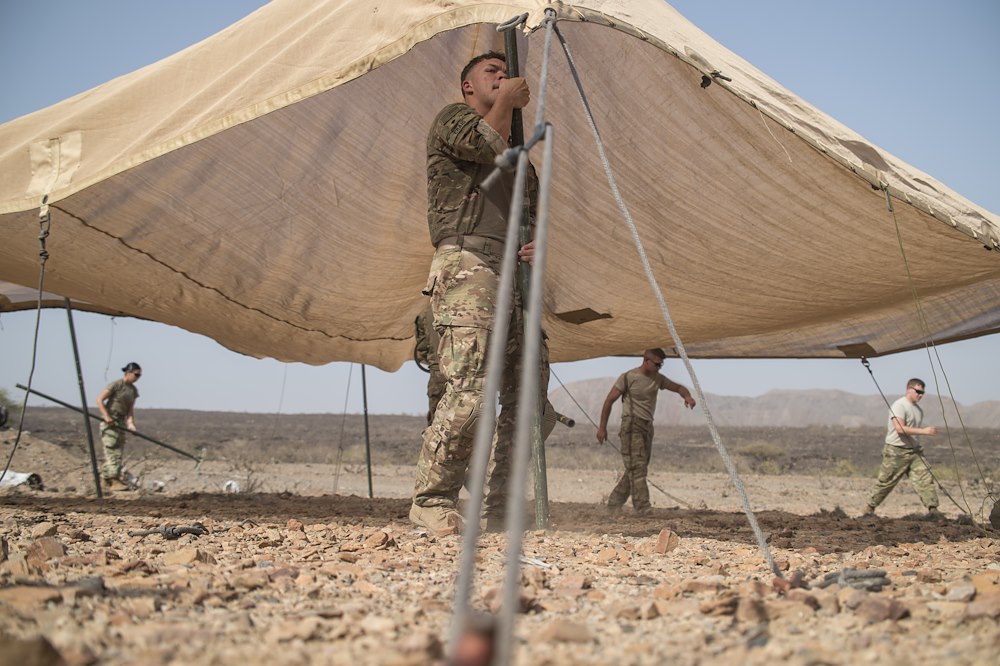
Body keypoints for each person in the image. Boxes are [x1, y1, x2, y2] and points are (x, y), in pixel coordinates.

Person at [410, 51, 539, 535]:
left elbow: (532, 214)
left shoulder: (521, 161)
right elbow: (485, 143)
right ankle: (432, 498)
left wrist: (535, 245)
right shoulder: (454, 120)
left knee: (528, 395)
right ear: (468, 86)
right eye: (492, 73)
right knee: (470, 390)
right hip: (468, 262)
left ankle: (499, 505)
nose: (502, 77)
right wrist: (506, 100)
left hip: (512, 273)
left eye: (507, 74)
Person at [596, 348, 695, 514]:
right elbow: (609, 401)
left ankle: (614, 504)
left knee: (636, 468)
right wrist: (602, 428)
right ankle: (642, 507)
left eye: (661, 365)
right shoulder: (629, 377)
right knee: (638, 468)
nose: (659, 367)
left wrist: (687, 396)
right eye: (657, 364)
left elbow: (678, 388)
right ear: (646, 360)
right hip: (631, 426)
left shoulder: (657, 378)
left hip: (647, 427)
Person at [863, 378, 942, 518]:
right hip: (896, 451)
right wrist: (924, 431)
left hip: (914, 451)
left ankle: (933, 510)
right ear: (909, 389)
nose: (920, 395)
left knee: (925, 479)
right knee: (887, 481)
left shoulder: (918, 410)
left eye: (922, 393)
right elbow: (899, 428)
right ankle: (869, 507)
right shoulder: (899, 405)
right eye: (918, 391)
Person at [96, 362, 142, 490]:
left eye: (139, 376)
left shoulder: (133, 391)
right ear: (128, 372)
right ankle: (113, 480)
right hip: (110, 421)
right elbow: (99, 400)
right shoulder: (116, 385)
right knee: (113, 450)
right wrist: (106, 416)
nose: (137, 378)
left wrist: (130, 423)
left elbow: (130, 410)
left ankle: (105, 480)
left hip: (120, 422)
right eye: (136, 375)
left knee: (118, 451)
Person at [414, 301, 446, 426]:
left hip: (439, 374)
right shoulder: (475, 305)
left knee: (437, 424)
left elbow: (422, 349)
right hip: (472, 376)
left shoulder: (427, 312)